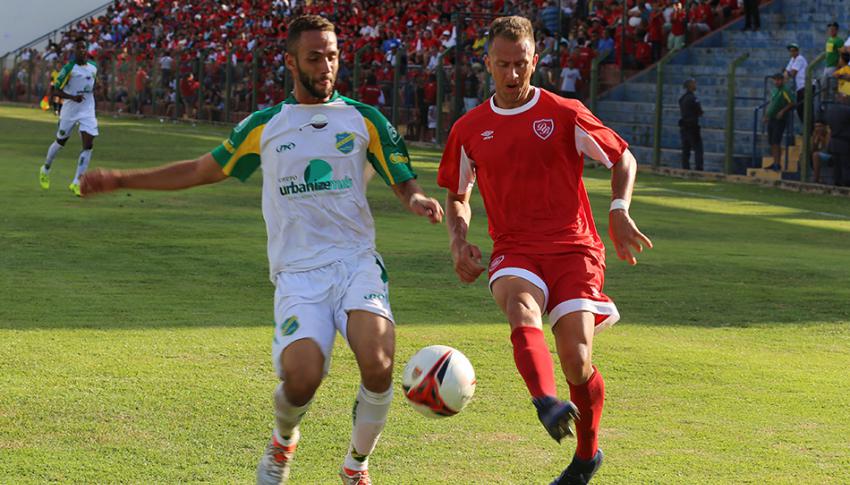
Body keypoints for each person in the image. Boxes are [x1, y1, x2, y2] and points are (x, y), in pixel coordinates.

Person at [80, 15, 444, 485]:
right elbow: (198, 169)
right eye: (315, 57)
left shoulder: (364, 119)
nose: (327, 65)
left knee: (377, 363)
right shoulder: (265, 126)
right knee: (302, 377)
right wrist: (120, 180)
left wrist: (416, 199)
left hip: (355, 263)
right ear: (291, 62)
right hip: (297, 275)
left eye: (332, 56)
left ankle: (356, 466)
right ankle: (282, 441)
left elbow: (403, 181)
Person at [437, 16, 652, 485]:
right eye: (503, 65)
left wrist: (618, 209)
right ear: (487, 63)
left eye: (521, 65)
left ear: (535, 61)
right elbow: (457, 195)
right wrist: (458, 239)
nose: (512, 76)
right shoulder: (469, 129)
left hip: (575, 249)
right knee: (520, 304)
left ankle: (586, 457)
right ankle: (546, 401)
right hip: (515, 248)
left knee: (576, 358)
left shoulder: (564, 112)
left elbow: (622, 157)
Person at [38, 38, 99, 197]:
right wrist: (72, 97)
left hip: (87, 110)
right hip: (70, 110)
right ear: (74, 52)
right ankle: (45, 168)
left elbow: (93, 85)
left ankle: (77, 182)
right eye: (79, 48)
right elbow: (56, 91)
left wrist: (98, 88)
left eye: (84, 48)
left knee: (88, 144)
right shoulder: (69, 68)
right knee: (60, 142)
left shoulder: (93, 67)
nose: (82, 51)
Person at [763, 73, 795, 171]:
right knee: (771, 142)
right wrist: (767, 115)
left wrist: (782, 111)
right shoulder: (775, 90)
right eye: (775, 80)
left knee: (776, 141)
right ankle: (774, 162)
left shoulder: (785, 90)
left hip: (779, 119)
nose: (776, 82)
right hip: (772, 118)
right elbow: (772, 103)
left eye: (778, 80)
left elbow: (792, 103)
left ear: (782, 80)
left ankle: (777, 164)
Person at [679, 78, 704, 171]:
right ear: (690, 86)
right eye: (694, 83)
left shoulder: (682, 98)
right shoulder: (693, 98)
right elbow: (699, 111)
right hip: (692, 126)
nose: (695, 85)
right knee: (698, 148)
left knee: (686, 149)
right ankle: (699, 168)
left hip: (684, 126)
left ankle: (685, 167)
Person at [784, 43, 808, 124]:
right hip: (800, 87)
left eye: (794, 51)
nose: (792, 53)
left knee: (804, 110)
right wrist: (787, 74)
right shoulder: (792, 59)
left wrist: (787, 74)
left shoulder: (799, 58)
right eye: (791, 51)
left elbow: (792, 73)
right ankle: (806, 130)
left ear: (797, 51)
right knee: (800, 109)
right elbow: (786, 72)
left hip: (805, 87)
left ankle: (809, 131)